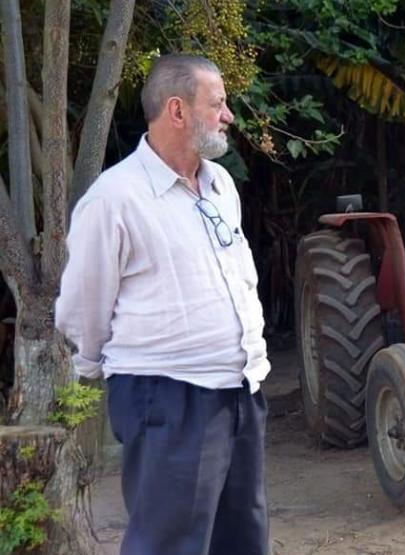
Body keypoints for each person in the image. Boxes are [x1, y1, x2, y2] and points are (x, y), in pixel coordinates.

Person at [55, 54, 270, 555]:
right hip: (169, 397)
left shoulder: (221, 187)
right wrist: (95, 369)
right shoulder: (115, 198)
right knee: (169, 544)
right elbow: (84, 307)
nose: (228, 114)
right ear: (178, 110)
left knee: (242, 539)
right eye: (217, 103)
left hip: (240, 391)